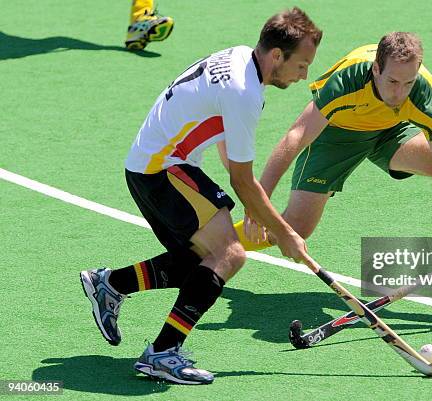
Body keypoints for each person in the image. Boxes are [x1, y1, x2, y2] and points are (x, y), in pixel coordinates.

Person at [80, 7, 322, 385]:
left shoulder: (242, 58)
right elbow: (242, 180)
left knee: (200, 259)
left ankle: (112, 284)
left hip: (156, 164)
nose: (305, 74)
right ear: (277, 55)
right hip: (161, 169)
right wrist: (286, 233)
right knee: (229, 253)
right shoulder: (244, 92)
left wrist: (255, 210)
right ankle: (162, 353)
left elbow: (229, 150)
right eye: (303, 64)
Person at [233, 32, 432, 272]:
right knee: (297, 227)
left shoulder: (423, 94)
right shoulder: (347, 82)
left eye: (408, 83)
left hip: (388, 133)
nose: (399, 92)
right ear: (376, 69)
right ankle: (217, 241)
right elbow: (296, 135)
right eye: (392, 81)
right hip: (337, 135)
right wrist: (258, 201)